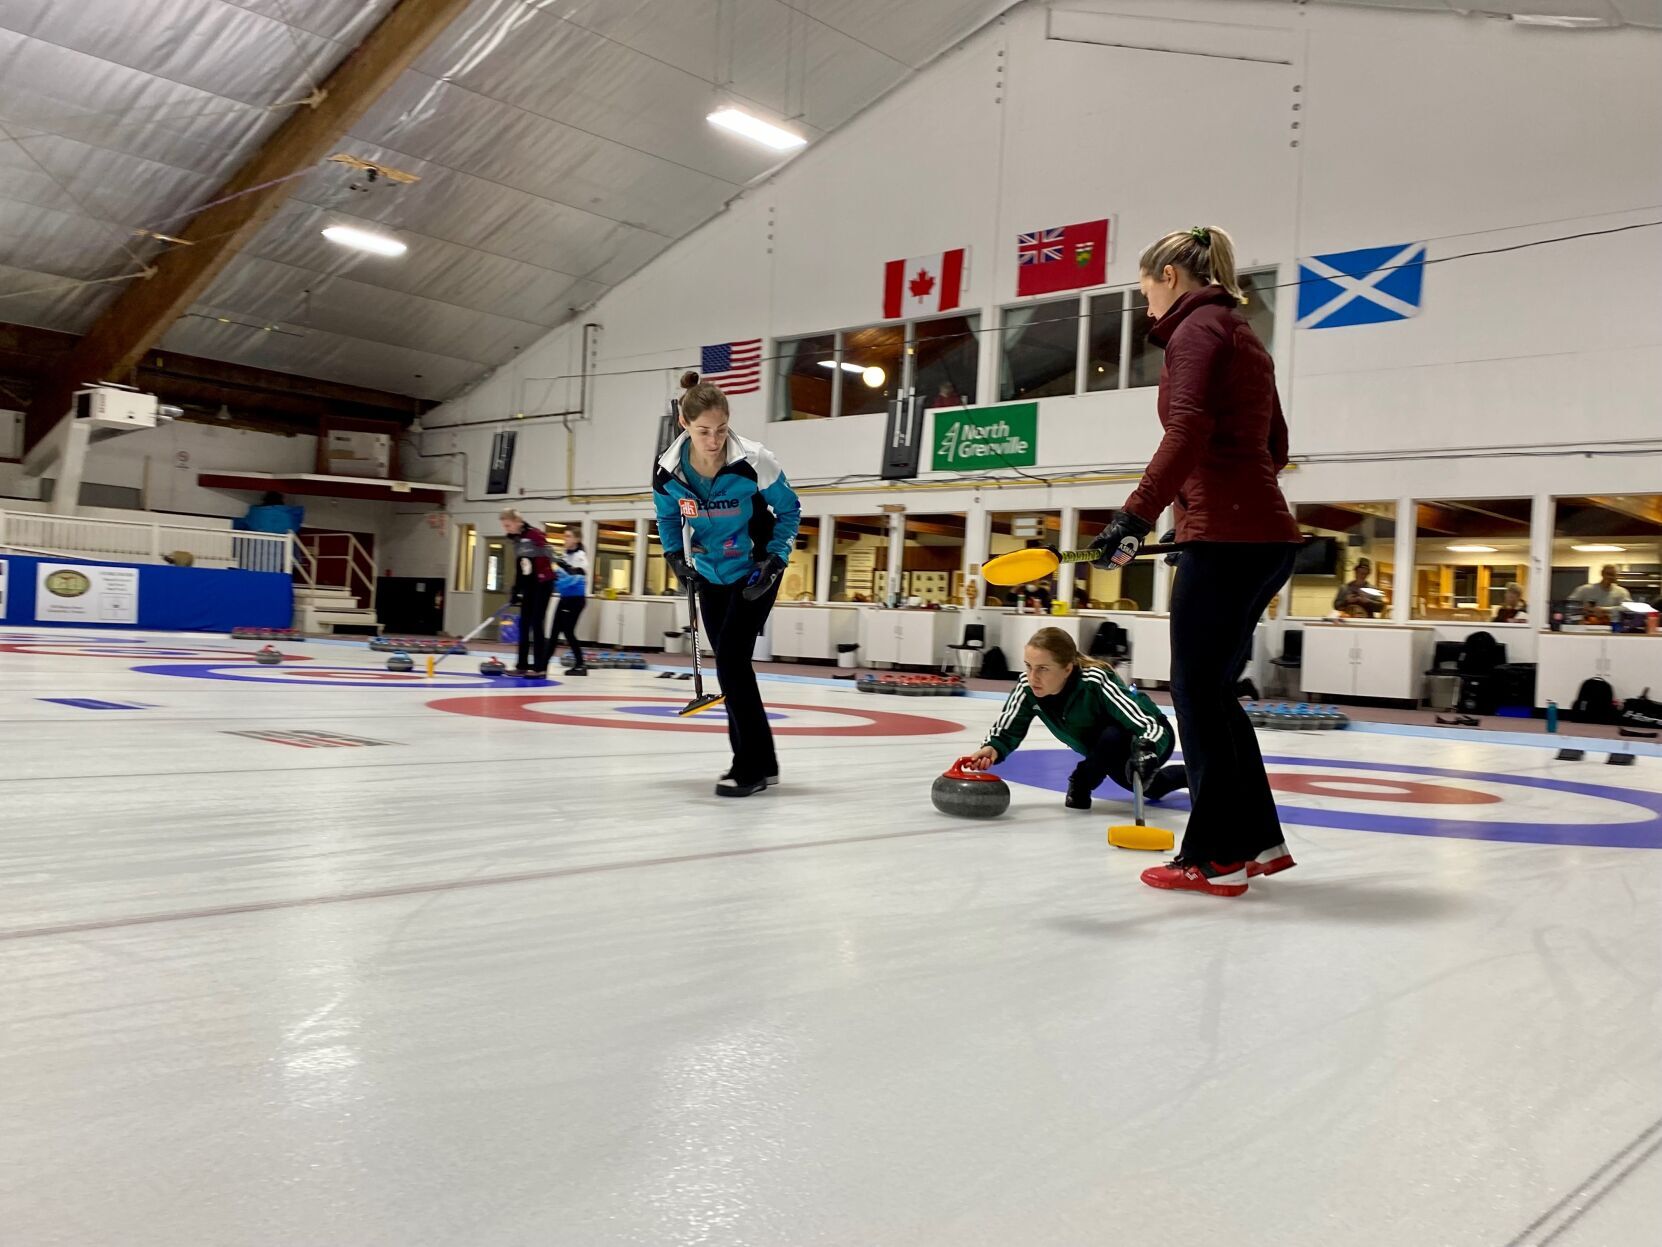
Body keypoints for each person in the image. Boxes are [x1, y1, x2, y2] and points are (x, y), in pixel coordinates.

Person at [1088, 225, 1302, 898]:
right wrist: (1208, 509)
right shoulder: (1242, 333)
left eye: (1145, 287)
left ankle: (1214, 856)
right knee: (1214, 696)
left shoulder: (1194, 331)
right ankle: (1255, 842)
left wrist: (1136, 516)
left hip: (1228, 541)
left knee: (1197, 696)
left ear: (1170, 277)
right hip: (1263, 538)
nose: (1145, 302)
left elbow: (1188, 430)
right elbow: (1276, 443)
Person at [654, 370, 802, 797]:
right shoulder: (668, 472)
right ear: (685, 424)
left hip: (755, 572)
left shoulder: (753, 461)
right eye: (703, 431)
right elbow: (668, 518)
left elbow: (789, 511)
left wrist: (775, 560)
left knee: (731, 664)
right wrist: (673, 557)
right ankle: (765, 761)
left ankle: (749, 766)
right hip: (710, 573)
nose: (713, 439)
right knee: (732, 665)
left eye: (720, 429)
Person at [964, 627, 1188, 811]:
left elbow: (1144, 723)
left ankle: (1082, 780)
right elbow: (1007, 729)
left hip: (1151, 735)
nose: (1033, 677)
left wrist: (1146, 749)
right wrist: (992, 747)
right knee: (1153, 788)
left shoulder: (1096, 680)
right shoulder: (1027, 687)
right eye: (1028, 666)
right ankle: (1195, 775)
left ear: (1067, 668)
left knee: (1111, 736)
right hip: (1105, 751)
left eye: (1043, 669)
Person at [500, 507, 555, 678]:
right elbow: (521, 567)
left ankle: (540, 668)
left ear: (518, 522)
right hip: (531, 584)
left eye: (508, 525)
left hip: (543, 582)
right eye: (505, 526)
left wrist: (526, 585)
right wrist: (517, 589)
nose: (507, 529)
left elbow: (545, 558)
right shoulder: (518, 539)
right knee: (524, 624)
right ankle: (522, 665)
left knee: (536, 624)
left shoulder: (534, 535)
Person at [550, 529, 589, 676]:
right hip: (565, 598)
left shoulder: (580, 556)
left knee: (568, 631)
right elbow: (560, 577)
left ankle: (580, 664)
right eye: (564, 535)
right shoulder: (566, 555)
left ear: (576, 540)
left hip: (575, 600)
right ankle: (541, 665)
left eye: (568, 536)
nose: (564, 538)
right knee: (554, 633)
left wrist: (562, 568)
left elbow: (576, 576)